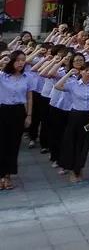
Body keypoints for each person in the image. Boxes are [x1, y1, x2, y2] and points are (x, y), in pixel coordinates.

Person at [54, 62, 89, 184]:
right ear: (81, 71)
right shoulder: (73, 84)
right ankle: (72, 170)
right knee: (73, 143)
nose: (88, 72)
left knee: (85, 144)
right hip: (75, 116)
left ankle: (79, 168)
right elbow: (57, 86)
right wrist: (69, 73)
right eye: (86, 70)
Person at [0, 51, 32, 190]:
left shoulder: (27, 77)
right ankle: (1, 175)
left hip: (18, 112)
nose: (21, 63)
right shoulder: (2, 76)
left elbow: (29, 97)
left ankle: (8, 175)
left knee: (14, 144)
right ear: (12, 61)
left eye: (23, 60)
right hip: (3, 110)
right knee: (2, 143)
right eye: (18, 60)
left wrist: (29, 115)